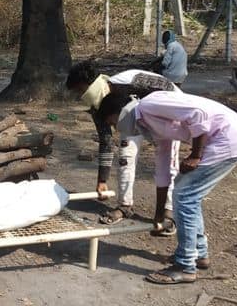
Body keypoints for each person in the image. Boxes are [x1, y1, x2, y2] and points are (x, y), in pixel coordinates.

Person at [98, 90, 237, 284]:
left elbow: (199, 113)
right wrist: (159, 215)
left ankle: (185, 266)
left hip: (228, 137)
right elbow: (163, 166)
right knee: (186, 194)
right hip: (222, 139)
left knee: (185, 196)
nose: (115, 128)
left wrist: (196, 155)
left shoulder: (149, 105)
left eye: (112, 122)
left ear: (118, 112)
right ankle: (198, 254)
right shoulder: (148, 123)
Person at [66, 61, 180, 236]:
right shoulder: (98, 107)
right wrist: (102, 181)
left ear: (91, 85)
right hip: (134, 118)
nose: (80, 97)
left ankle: (168, 212)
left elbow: (166, 88)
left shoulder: (130, 81)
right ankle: (125, 205)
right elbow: (106, 141)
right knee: (125, 155)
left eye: (80, 91)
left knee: (167, 163)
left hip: (168, 114)